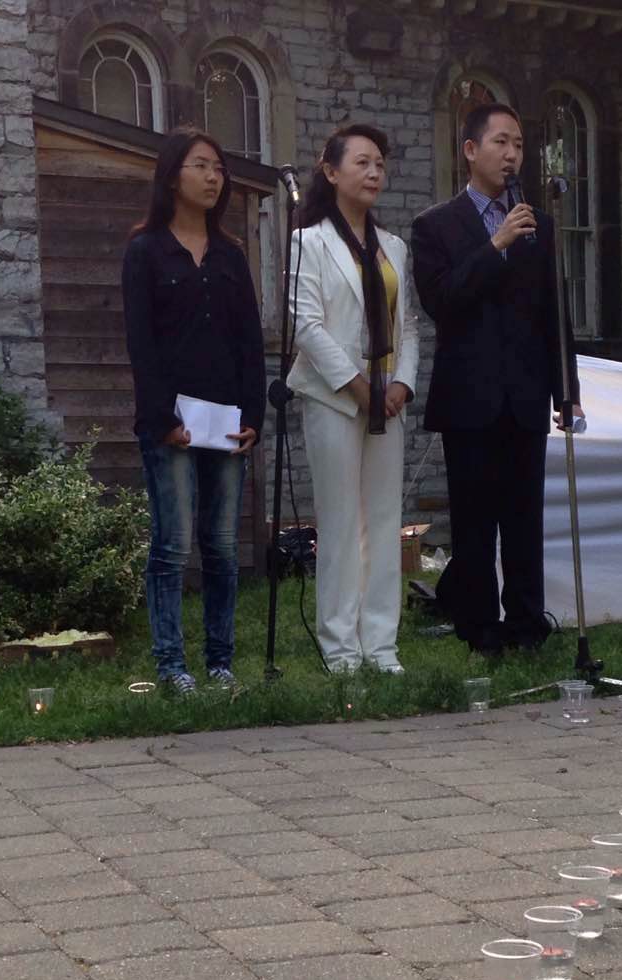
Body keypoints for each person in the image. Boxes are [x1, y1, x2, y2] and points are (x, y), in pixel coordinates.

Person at [411, 103, 583, 657]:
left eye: (517, 146)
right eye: (500, 142)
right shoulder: (435, 225)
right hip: (470, 399)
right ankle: (480, 629)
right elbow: (443, 301)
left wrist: (567, 392)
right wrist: (496, 245)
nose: (511, 154)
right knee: (475, 524)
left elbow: (555, 315)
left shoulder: (540, 225)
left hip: (526, 395)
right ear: (470, 150)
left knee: (524, 520)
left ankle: (528, 625)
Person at [122, 127, 265, 694]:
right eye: (202, 166)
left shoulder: (231, 255)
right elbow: (142, 344)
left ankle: (220, 661)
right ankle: (171, 665)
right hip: (172, 423)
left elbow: (250, 343)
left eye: (219, 168)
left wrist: (253, 413)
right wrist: (163, 419)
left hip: (227, 419)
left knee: (223, 545)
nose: (214, 177)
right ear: (172, 175)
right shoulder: (146, 251)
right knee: (172, 543)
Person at [287, 123, 419, 674]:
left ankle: (380, 644)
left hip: (387, 395)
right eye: (361, 162)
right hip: (335, 397)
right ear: (331, 170)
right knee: (341, 522)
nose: (373, 173)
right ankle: (340, 646)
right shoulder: (307, 242)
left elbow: (406, 324)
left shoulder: (393, 247)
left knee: (385, 521)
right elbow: (307, 325)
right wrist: (358, 388)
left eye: (379, 165)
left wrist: (400, 385)